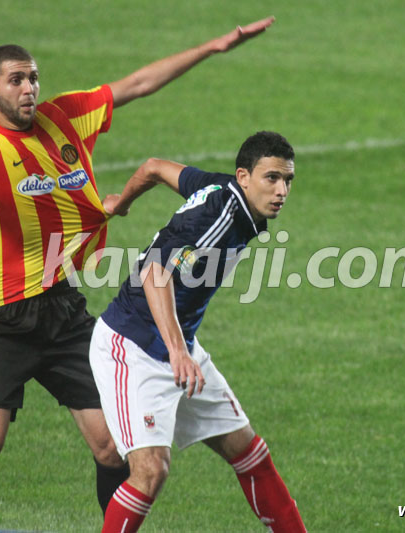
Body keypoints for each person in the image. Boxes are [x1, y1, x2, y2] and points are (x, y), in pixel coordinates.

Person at [0, 17, 276, 525]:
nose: (29, 89)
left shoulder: (66, 117)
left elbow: (138, 84)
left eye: (34, 78)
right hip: (2, 319)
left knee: (111, 448)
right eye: (16, 80)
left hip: (64, 311)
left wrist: (214, 46)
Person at [89, 131, 307, 532]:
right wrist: (177, 351)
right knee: (150, 471)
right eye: (271, 178)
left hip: (179, 348)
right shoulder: (219, 218)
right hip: (131, 347)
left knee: (251, 454)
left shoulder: (220, 187)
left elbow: (154, 167)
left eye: (287, 180)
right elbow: (154, 273)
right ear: (244, 176)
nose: (281, 191)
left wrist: (122, 202)